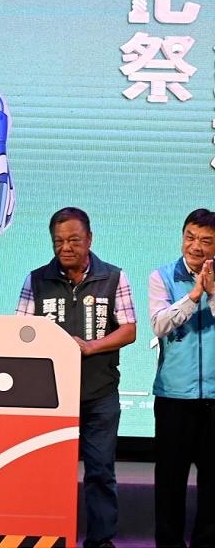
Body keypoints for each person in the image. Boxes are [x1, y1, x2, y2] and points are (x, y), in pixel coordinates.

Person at [15, 207, 136, 548]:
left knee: (100, 471)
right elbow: (20, 331)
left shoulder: (113, 277)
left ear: (89, 239)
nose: (65, 247)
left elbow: (129, 329)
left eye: (73, 240)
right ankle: (47, 537)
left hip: (100, 393)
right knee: (48, 471)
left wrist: (90, 346)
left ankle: (100, 540)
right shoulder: (36, 280)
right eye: (58, 241)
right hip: (50, 396)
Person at [148, 208, 215, 547]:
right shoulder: (162, 277)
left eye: (206, 240)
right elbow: (159, 324)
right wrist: (193, 296)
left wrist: (212, 294)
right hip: (174, 397)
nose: (196, 246)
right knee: (170, 481)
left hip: (214, 399)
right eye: (190, 237)